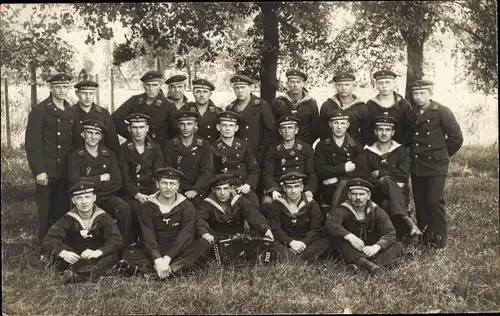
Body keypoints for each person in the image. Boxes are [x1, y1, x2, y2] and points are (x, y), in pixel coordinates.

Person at [119, 167, 212, 279]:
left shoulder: (187, 206)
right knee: (127, 255)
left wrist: (167, 259)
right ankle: (174, 270)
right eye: (164, 183)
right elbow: (147, 235)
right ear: (157, 184)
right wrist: (157, 259)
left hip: (178, 249)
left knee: (204, 244)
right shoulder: (147, 206)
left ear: (178, 186)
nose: (168, 187)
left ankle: (166, 270)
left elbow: (186, 235)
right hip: (156, 248)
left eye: (172, 184)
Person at [406, 79, 463, 248]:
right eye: (415, 94)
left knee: (434, 201)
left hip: (437, 164)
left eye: (422, 93)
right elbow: (409, 139)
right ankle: (425, 239)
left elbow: (456, 138)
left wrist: (443, 155)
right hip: (417, 164)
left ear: (430, 93)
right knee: (420, 202)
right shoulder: (411, 114)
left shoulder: (441, 111)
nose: (418, 97)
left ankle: (438, 241)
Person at [25, 73, 76, 249]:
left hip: (65, 170)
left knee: (62, 211)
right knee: (45, 212)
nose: (62, 90)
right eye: (58, 87)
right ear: (51, 88)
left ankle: (59, 245)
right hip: (47, 171)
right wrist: (39, 170)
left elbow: (75, 143)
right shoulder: (40, 111)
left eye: (65, 87)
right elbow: (33, 144)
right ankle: (44, 247)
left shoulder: (71, 111)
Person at [68, 119, 133, 250]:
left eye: (97, 134)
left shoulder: (109, 155)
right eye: (89, 132)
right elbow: (74, 182)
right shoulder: (75, 156)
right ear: (83, 134)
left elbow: (116, 182)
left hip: (107, 197)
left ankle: (122, 249)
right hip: (86, 199)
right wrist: (101, 178)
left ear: (101, 136)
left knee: (124, 208)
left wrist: (87, 180)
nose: (93, 137)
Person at [42, 181, 123, 284]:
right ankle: (87, 274)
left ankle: (77, 277)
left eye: (87, 197)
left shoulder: (104, 217)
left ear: (94, 198)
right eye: (79, 198)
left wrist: (98, 252)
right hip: (75, 256)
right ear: (73, 200)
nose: (84, 202)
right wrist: (64, 253)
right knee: (57, 251)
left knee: (112, 255)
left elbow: (116, 239)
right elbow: (49, 239)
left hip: (96, 256)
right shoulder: (68, 219)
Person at [325, 178, 404, 275]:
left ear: (368, 195)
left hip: (371, 250)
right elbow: (330, 224)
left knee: (398, 246)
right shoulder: (342, 210)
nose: (358, 197)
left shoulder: (377, 211)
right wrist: (350, 237)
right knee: (339, 241)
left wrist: (376, 246)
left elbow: (390, 233)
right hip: (352, 250)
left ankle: (361, 266)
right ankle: (370, 266)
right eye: (354, 194)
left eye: (362, 194)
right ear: (349, 195)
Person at [364, 115, 421, 242]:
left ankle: (394, 238)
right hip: (375, 193)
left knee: (386, 203)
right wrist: (387, 177)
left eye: (387, 130)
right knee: (386, 181)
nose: (384, 133)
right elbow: (366, 176)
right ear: (375, 131)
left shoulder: (401, 151)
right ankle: (407, 219)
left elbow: (403, 175)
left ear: (393, 132)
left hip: (398, 196)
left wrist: (379, 172)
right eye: (380, 129)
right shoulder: (368, 152)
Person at [118, 113, 165, 243]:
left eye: (141, 127)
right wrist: (137, 194)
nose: (138, 131)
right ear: (129, 129)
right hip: (132, 194)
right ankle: (133, 244)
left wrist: (153, 194)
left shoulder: (155, 148)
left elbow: (158, 174)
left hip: (152, 193)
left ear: (147, 128)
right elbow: (124, 177)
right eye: (134, 127)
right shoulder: (123, 149)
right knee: (138, 210)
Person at [261, 116, 318, 217]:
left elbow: (312, 173)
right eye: (284, 128)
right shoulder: (272, 150)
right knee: (267, 203)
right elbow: (267, 174)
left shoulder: (306, 148)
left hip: (299, 189)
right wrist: (273, 189)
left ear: (296, 130)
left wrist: (309, 190)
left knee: (311, 206)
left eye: (290, 127)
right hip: (280, 188)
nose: (287, 131)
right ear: (279, 131)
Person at [268, 172, 330, 263]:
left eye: (296, 186)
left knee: (326, 241)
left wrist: (303, 243)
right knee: (270, 242)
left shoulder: (311, 204)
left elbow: (316, 229)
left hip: (305, 242)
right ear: (284, 188)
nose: (293, 191)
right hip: (285, 241)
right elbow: (275, 228)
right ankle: (301, 260)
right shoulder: (277, 204)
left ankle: (289, 258)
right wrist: (291, 242)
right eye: (289, 187)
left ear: (302, 188)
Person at [196, 173, 274, 246]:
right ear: (213, 190)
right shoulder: (207, 203)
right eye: (218, 189)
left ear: (231, 189)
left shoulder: (239, 200)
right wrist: (204, 233)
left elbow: (253, 214)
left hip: (237, 238)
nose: (222, 193)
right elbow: (199, 219)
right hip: (216, 239)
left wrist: (266, 229)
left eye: (226, 188)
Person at [314, 109, 367, 213]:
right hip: (328, 188)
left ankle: (334, 219)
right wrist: (344, 168)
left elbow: (363, 171)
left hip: (351, 188)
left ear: (347, 125)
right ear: (330, 124)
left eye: (342, 123)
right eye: (335, 123)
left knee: (344, 184)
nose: (339, 127)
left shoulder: (355, 145)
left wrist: (338, 178)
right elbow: (321, 170)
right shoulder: (322, 146)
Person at [162, 111, 213, 207]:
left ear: (195, 125)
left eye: (189, 124)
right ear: (178, 125)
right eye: (182, 124)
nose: (186, 128)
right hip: (175, 188)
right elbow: (168, 170)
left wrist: (196, 189)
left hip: (197, 189)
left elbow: (207, 171)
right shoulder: (170, 145)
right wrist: (176, 189)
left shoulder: (204, 145)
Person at [212, 110, 261, 209]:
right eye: (224, 125)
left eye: (231, 125)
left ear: (236, 128)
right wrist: (223, 188)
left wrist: (248, 184)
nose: (227, 129)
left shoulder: (245, 145)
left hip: (242, 186)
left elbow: (254, 170)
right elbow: (211, 172)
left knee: (254, 205)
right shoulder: (212, 147)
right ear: (218, 127)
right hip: (223, 188)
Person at [225, 74, 276, 167]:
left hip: (257, 154)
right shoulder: (230, 108)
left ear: (251, 88)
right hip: (237, 154)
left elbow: (270, 131)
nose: (239, 91)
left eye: (243, 87)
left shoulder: (262, 105)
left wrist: (262, 152)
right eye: (236, 88)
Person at [112, 70, 173, 145]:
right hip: (137, 146)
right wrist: (133, 134)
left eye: (154, 85)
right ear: (143, 85)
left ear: (160, 86)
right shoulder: (134, 101)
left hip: (160, 147)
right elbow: (115, 119)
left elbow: (176, 128)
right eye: (148, 85)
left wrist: (165, 140)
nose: (151, 88)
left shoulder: (168, 105)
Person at [362, 70, 412, 146]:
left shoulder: (404, 105)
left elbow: (409, 130)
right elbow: (366, 130)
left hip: (399, 150)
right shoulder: (370, 105)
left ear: (394, 83)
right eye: (380, 83)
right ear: (376, 84)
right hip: (376, 151)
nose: (384, 86)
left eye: (387, 82)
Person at [271, 69, 320, 146]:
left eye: (298, 82)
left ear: (304, 84)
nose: (295, 85)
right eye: (292, 82)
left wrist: (306, 144)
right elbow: (273, 126)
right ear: (287, 84)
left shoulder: (311, 104)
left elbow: (315, 129)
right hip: (283, 146)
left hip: (305, 148)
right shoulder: (279, 102)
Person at [71, 79, 120, 154]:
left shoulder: (103, 113)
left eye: (91, 93)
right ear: (77, 93)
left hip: (101, 159)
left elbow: (112, 141)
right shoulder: (70, 113)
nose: (88, 97)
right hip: (77, 160)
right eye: (84, 93)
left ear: (95, 94)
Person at [319, 71, 367, 145]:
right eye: (340, 85)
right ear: (336, 86)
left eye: (347, 85)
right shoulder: (327, 105)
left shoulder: (361, 107)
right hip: (331, 149)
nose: (343, 88)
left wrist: (358, 146)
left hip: (354, 150)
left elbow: (366, 132)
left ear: (353, 86)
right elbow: (322, 130)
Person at [183, 78, 222, 144]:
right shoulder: (185, 110)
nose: (201, 95)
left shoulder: (218, 112)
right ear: (193, 93)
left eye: (205, 92)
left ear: (210, 94)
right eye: (198, 91)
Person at [165, 74, 190, 140]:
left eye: (180, 86)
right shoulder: (163, 105)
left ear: (184, 87)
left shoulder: (191, 106)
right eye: (173, 87)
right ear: (169, 89)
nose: (177, 90)